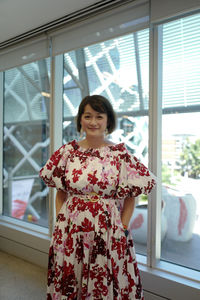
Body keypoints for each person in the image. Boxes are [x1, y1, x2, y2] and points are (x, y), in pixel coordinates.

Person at [40, 94, 156, 300]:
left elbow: (131, 196)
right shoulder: (67, 153)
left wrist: (123, 227)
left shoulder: (120, 155)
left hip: (108, 228)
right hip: (72, 228)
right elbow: (61, 191)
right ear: (80, 120)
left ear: (108, 120)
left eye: (99, 116)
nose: (93, 122)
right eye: (88, 116)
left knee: (105, 278)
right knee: (71, 277)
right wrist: (61, 223)